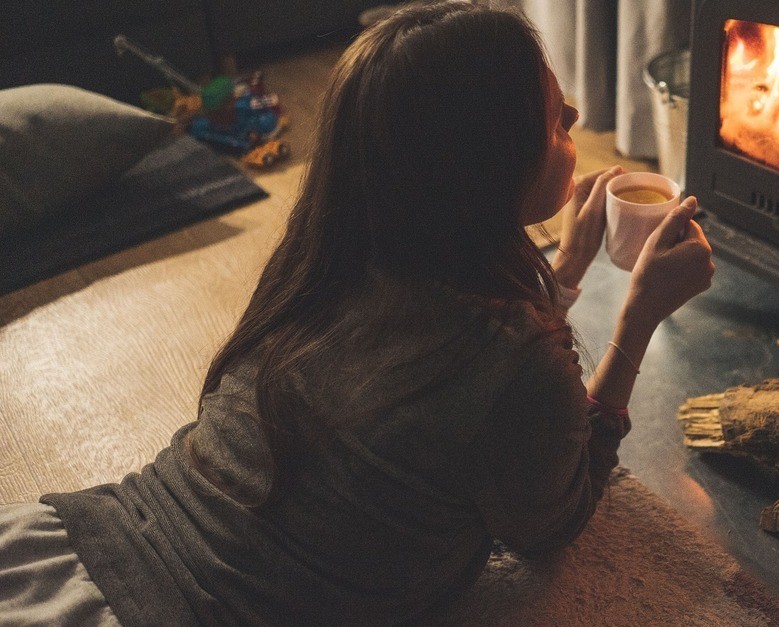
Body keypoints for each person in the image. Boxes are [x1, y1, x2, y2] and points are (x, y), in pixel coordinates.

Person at [0, 2, 714, 625]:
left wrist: (562, 274)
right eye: (551, 116)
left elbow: (447, 372)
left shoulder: (328, 259)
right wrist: (638, 320)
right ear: (482, 167)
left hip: (86, 542)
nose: (576, 117)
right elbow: (554, 519)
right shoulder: (518, 368)